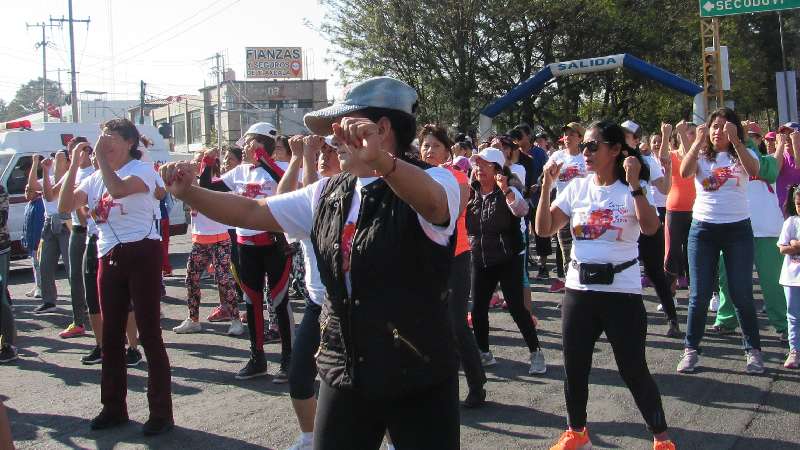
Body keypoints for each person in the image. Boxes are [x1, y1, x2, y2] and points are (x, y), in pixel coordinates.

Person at [160, 76, 462, 449]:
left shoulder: (439, 180)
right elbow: (252, 211)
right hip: (345, 366)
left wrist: (383, 163)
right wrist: (188, 192)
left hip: (418, 370)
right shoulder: (328, 190)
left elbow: (434, 205)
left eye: (343, 128)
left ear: (382, 130)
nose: (333, 140)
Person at [536, 120, 675, 450]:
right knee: (575, 366)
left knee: (632, 368)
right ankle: (577, 432)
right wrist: (546, 185)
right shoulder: (577, 188)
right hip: (579, 291)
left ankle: (661, 438)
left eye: (593, 145)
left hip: (621, 292)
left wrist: (635, 185)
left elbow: (652, 228)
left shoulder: (629, 189)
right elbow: (543, 229)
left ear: (615, 150)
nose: (585, 152)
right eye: (583, 145)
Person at [58, 119, 173, 435]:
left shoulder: (142, 170)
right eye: (101, 137)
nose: (103, 143)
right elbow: (65, 205)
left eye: (110, 138)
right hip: (107, 256)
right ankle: (113, 408)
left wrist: (98, 160)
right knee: (110, 336)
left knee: (149, 333)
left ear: (129, 142)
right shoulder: (94, 178)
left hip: (142, 252)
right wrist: (74, 166)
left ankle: (161, 413)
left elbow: (120, 190)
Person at [199, 122, 293, 381]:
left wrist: (264, 159)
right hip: (245, 244)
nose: (246, 147)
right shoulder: (239, 171)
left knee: (279, 301)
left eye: (250, 142)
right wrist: (208, 163)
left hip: (274, 243)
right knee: (252, 302)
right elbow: (208, 186)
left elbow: (285, 185)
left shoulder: (282, 168)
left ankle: (288, 360)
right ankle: (257, 357)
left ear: (262, 143)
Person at [677, 108, 764, 374]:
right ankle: (691, 350)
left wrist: (737, 142)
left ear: (735, 129)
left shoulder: (742, 155)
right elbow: (684, 172)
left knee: (741, 293)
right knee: (699, 295)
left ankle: (753, 351)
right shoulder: (701, 154)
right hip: (703, 230)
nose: (718, 131)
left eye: (725, 126)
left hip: (737, 230)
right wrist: (697, 142)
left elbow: (755, 170)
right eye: (714, 126)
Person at [276, 133, 342, 450]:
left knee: (364, 384)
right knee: (299, 374)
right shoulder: (310, 197)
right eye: (322, 152)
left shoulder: (349, 195)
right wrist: (296, 157)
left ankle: (393, 440)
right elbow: (281, 200)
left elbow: (316, 199)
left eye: (332, 151)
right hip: (318, 305)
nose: (323, 156)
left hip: (348, 305)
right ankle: (309, 437)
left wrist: (310, 154)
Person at [420, 124, 488, 407]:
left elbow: (454, 211)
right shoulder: (414, 176)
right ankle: (431, 384)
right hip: (424, 259)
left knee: (457, 324)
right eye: (425, 145)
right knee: (427, 324)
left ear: (447, 151)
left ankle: (477, 384)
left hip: (456, 256)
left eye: (436, 145)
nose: (429, 150)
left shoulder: (457, 176)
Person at [466, 147, 546, 375]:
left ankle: (536, 352)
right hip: (480, 257)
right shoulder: (470, 192)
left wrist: (507, 191)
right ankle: (484, 353)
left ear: (498, 169)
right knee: (478, 309)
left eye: (485, 164)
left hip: (507, 258)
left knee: (516, 308)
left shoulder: (509, 190)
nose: (479, 168)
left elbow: (521, 211)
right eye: (477, 164)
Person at [712, 125, 788, 340]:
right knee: (727, 279)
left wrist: (781, 144)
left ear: (759, 139)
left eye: (752, 136)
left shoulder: (766, 161)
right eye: (745, 135)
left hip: (766, 229)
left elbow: (771, 168)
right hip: (734, 228)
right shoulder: (728, 162)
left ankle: (783, 324)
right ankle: (726, 320)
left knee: (771, 281)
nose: (748, 139)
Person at [172, 152, 243, 337]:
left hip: (220, 239)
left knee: (224, 280)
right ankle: (193, 320)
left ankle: (235, 319)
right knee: (191, 279)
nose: (194, 164)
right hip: (199, 239)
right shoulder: (188, 184)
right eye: (193, 161)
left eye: (197, 161)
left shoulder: (216, 183)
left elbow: (203, 187)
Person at [622, 120, 679, 336]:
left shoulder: (646, 162)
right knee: (624, 272)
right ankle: (626, 321)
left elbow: (664, 188)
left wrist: (669, 168)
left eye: (627, 135)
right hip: (622, 222)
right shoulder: (610, 161)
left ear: (636, 140)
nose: (622, 137)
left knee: (655, 272)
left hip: (647, 223)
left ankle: (672, 318)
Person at [42, 139, 94, 338]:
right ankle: (78, 322)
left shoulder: (94, 173)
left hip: (92, 233)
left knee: (93, 279)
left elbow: (84, 209)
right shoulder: (71, 174)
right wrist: (46, 172)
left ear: (88, 151)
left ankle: (110, 321)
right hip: (77, 232)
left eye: (78, 151)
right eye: (71, 152)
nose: (73, 155)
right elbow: (49, 197)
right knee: (75, 278)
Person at [545, 122, 589, 293]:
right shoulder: (557, 156)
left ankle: (584, 288)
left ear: (580, 138)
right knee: (566, 251)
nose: (567, 138)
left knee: (582, 250)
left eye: (572, 134)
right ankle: (570, 290)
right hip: (563, 210)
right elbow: (548, 183)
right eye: (566, 134)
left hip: (583, 212)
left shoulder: (586, 157)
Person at [26, 154, 71, 314]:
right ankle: (49, 301)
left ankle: (81, 301)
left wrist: (45, 173)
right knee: (44, 263)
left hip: (65, 222)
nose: (54, 159)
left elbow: (50, 194)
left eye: (59, 157)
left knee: (70, 264)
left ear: (67, 162)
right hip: (49, 223)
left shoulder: (70, 176)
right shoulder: (49, 177)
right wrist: (35, 164)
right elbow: (31, 186)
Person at [664, 121, 697, 293]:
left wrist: (681, 132)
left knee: (695, 253)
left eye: (691, 132)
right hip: (675, 210)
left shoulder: (703, 155)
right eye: (686, 132)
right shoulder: (672, 154)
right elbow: (662, 157)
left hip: (697, 211)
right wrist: (665, 135)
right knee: (672, 253)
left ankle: (705, 293)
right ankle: (670, 295)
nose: (689, 134)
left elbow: (689, 162)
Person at [778, 183, 800, 369]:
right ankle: (794, 350)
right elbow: (782, 248)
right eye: (798, 204)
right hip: (792, 277)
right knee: (793, 316)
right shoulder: (791, 222)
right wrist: (794, 246)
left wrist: (796, 244)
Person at [0, 182, 16, 364]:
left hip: (1, 249)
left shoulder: (1, 189)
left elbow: (1, 218)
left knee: (1, 297)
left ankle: (9, 345)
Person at [774, 122, 800, 210]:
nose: (787, 138)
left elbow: (798, 166)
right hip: (784, 211)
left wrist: (796, 144)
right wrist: (779, 145)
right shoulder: (781, 155)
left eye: (791, 134)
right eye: (784, 135)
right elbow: (775, 170)